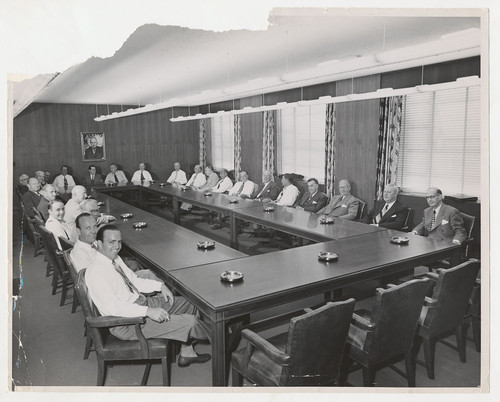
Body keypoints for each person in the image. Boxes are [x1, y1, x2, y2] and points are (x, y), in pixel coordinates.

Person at [85, 225, 211, 367]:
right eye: (111, 242)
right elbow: (113, 308)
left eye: (119, 242)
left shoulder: (114, 259)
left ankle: (187, 352)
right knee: (191, 322)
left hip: (139, 304)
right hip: (127, 323)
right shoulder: (97, 272)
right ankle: (222, 338)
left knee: (190, 304)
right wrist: (147, 311)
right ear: (99, 243)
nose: (117, 246)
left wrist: (160, 286)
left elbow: (133, 281)